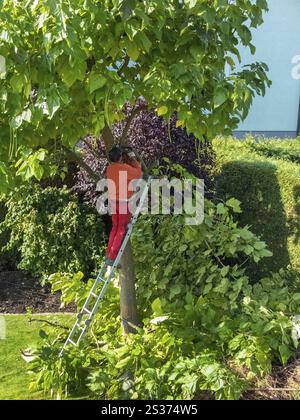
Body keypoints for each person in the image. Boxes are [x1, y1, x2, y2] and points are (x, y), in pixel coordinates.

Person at [105, 146, 142, 266]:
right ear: (120, 157)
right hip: (122, 201)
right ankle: (112, 256)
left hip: (113, 201)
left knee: (115, 227)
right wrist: (132, 158)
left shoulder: (110, 168)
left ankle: (108, 254)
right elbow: (138, 173)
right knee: (121, 229)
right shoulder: (125, 168)